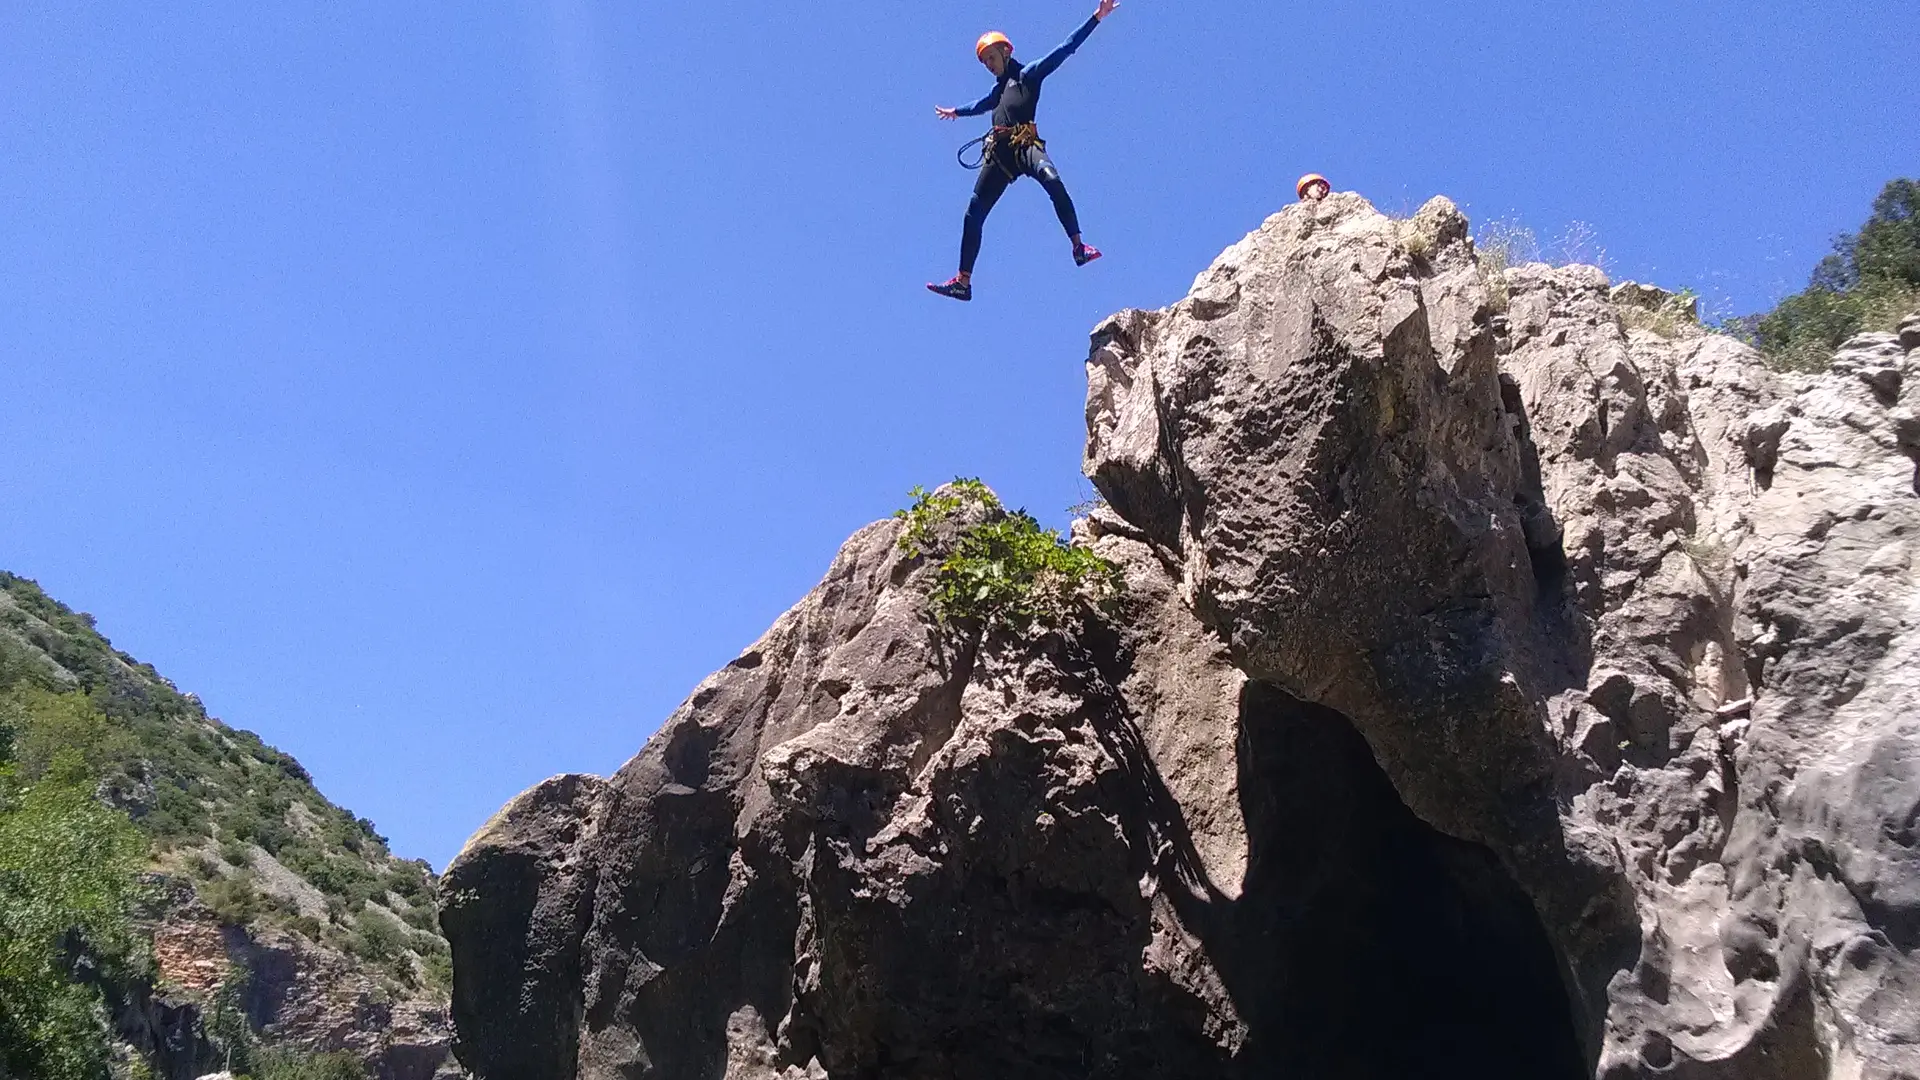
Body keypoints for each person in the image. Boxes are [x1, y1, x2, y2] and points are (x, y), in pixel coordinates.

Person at [927, 0, 1121, 302]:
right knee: (973, 213)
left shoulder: (1028, 76)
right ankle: (963, 282)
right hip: (999, 156)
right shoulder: (998, 90)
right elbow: (981, 105)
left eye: (991, 58)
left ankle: (1079, 246)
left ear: (1006, 51)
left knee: (1052, 180)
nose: (989, 65)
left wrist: (1097, 18)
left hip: (1024, 144)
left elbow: (1065, 48)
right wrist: (956, 112)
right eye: (985, 62)